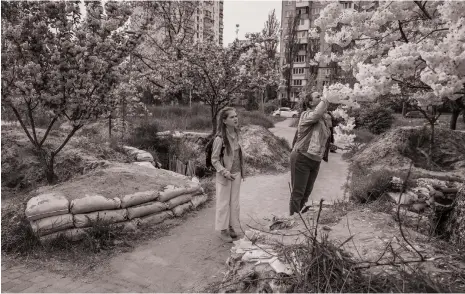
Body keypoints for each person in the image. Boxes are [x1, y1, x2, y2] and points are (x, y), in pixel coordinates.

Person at [290, 92, 332, 216]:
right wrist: (327, 98)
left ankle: (298, 218)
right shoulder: (306, 115)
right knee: (298, 193)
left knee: (306, 193)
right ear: (310, 103)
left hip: (315, 160)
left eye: (321, 96)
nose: (321, 98)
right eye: (317, 97)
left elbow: (324, 137)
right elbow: (316, 114)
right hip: (302, 157)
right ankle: (293, 219)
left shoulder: (323, 119)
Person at [211, 107, 244, 242]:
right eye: (232, 117)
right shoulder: (220, 139)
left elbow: (238, 155)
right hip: (225, 176)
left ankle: (231, 226)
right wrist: (225, 172)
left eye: (236, 116)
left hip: (237, 174)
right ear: (224, 121)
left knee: (234, 203)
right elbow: (214, 160)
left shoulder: (237, 134)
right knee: (223, 203)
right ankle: (223, 230)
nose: (235, 119)